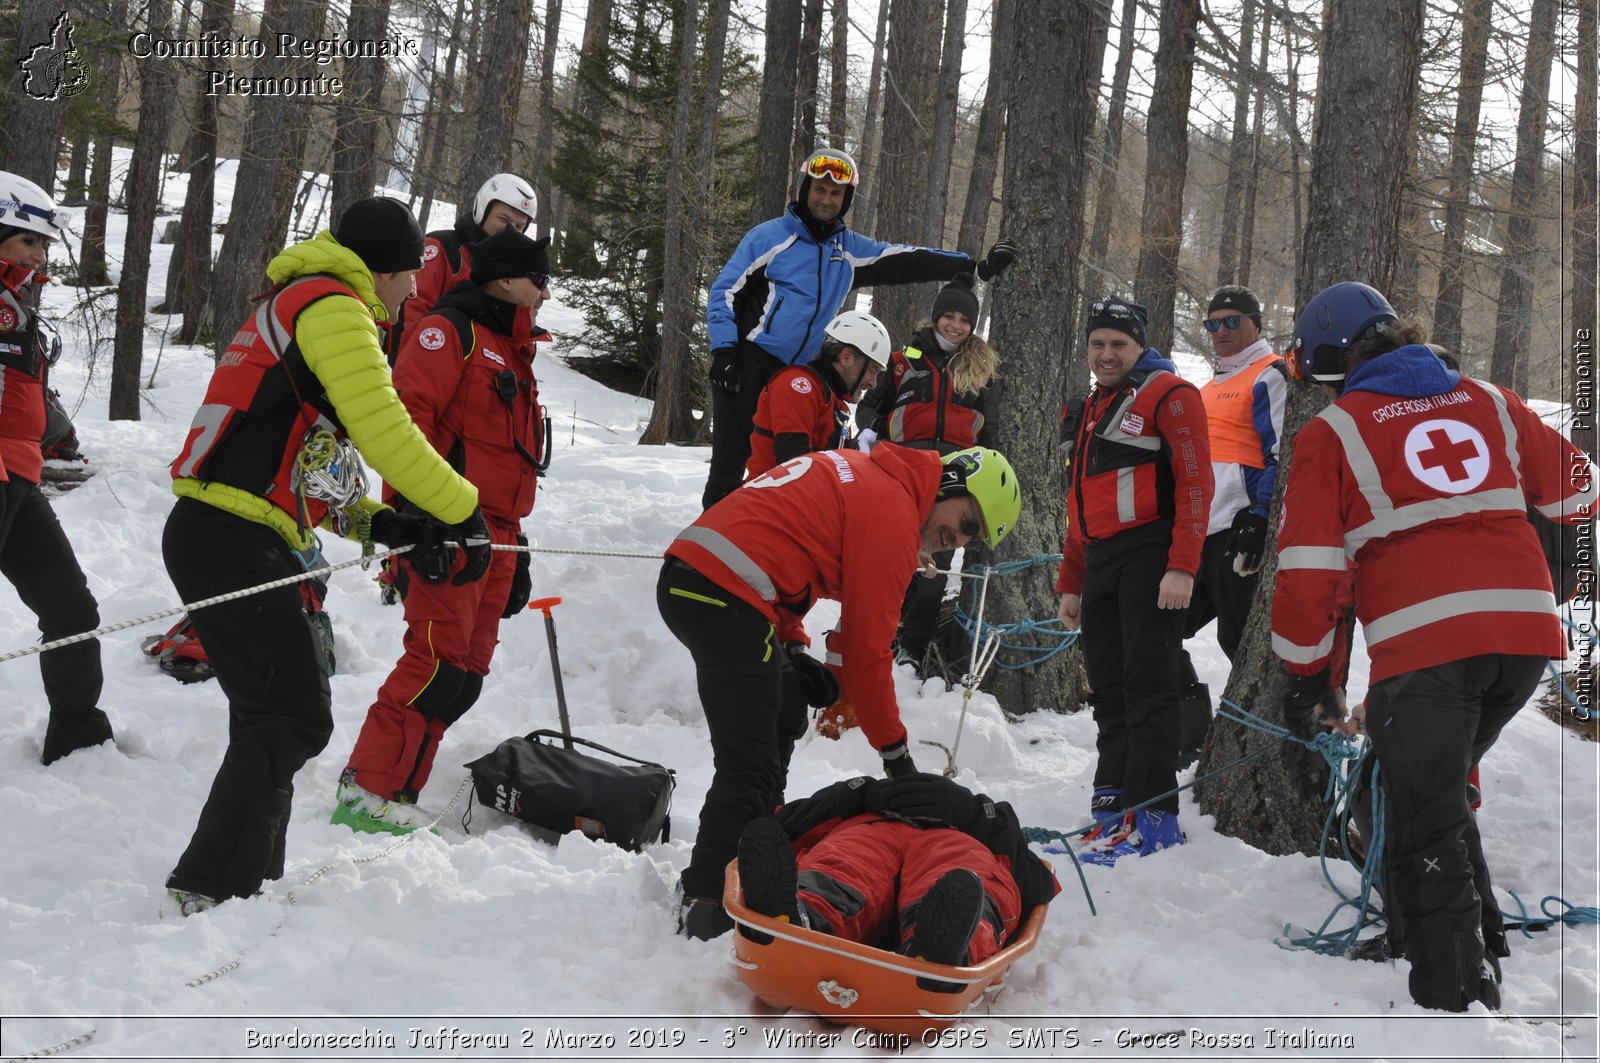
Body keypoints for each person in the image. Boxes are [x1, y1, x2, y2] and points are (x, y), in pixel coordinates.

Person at [1272, 281, 1596, 1012]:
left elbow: (1309, 571)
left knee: (1425, 813)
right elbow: (1581, 492)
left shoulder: (1334, 432)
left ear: (1333, 367)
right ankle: (1461, 934)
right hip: (1520, 638)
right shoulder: (1489, 398)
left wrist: (1304, 677)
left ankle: (1456, 989)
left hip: (1427, 643)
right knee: (1407, 788)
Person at [162, 196, 492, 913]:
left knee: (267, 714)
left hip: (233, 529)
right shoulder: (335, 306)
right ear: (383, 268)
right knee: (293, 715)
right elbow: (387, 430)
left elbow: (309, 462)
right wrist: (463, 508)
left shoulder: (301, 301)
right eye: (407, 274)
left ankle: (240, 884)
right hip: (232, 535)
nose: (411, 291)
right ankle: (212, 887)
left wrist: (384, 524)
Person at [659, 444, 1022, 939]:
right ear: (953, 485)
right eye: (967, 523)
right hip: (722, 594)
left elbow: (784, 546)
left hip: (710, 582)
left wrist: (792, 648)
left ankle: (760, 853)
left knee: (785, 707)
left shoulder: (876, 477)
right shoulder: (893, 513)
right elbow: (869, 653)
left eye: (968, 539)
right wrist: (896, 757)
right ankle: (705, 900)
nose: (956, 540)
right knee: (750, 761)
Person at [336, 227, 553, 832]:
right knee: (434, 664)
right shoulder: (446, 333)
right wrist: (415, 522)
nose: (547, 293)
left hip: (497, 536)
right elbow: (402, 429)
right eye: (541, 280)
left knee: (464, 676)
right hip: (447, 528)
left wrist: (519, 545)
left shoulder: (514, 348)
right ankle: (365, 791)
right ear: (506, 281)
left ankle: (400, 790)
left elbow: (511, 458)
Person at [703, 147, 1018, 509]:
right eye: (819, 189)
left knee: (791, 465)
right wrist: (724, 350)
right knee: (731, 459)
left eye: (836, 193)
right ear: (805, 189)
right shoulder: (770, 237)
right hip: (748, 361)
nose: (826, 199)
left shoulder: (848, 251)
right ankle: (707, 546)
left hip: (801, 373)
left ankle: (772, 534)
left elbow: (905, 260)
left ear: (846, 199)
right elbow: (727, 291)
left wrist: (973, 266)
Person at [1054, 296, 1213, 865]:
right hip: (1099, 560)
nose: (1106, 353)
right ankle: (1111, 807)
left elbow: (1196, 484)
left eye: (1118, 344)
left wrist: (1183, 565)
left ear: (1140, 345)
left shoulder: (1171, 394)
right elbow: (1080, 499)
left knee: (1150, 684)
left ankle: (1155, 814)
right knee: (1108, 686)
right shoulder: (1093, 405)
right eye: (1097, 343)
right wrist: (1071, 579)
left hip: (1151, 554)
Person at [0, 170, 113, 765]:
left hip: (18, 476)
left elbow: (20, 388)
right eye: (29, 241)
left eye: (43, 244)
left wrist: (56, 431)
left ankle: (79, 746)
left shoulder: (15, 303)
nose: (41, 255)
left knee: (71, 609)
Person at [735, 774, 1060, 971]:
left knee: (961, 879)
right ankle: (800, 917)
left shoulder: (976, 823)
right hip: (870, 826)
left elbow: (1035, 884)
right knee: (845, 866)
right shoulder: (864, 804)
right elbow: (782, 826)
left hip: (955, 837)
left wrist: (981, 815)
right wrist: (853, 793)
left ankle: (946, 949)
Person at [856, 273, 1000, 664]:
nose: (955, 325)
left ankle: (913, 646)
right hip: (902, 474)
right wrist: (868, 432)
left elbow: (990, 432)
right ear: (936, 316)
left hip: (953, 481)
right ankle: (879, 633)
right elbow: (872, 404)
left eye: (964, 320)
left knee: (935, 565)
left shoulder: (980, 370)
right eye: (949, 316)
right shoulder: (903, 361)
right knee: (893, 554)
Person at [1177, 285, 1288, 768]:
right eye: (1212, 324)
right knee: (1165, 629)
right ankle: (1194, 739)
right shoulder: (1208, 385)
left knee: (1241, 640)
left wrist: (1261, 516)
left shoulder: (1271, 375)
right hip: (1201, 531)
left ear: (1255, 324)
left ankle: (1266, 749)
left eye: (1231, 322)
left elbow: (1282, 449)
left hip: (1238, 529)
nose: (1220, 332)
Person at [393, 172, 537, 352]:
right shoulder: (443, 248)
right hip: (432, 364)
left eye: (519, 227)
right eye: (503, 220)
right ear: (483, 211)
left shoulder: (512, 272)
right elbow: (412, 313)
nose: (510, 231)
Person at [745, 309, 890, 480]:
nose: (873, 383)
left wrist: (858, 453)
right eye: (871, 370)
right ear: (846, 358)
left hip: (797, 500)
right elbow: (794, 464)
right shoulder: (798, 385)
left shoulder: (834, 401)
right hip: (770, 500)